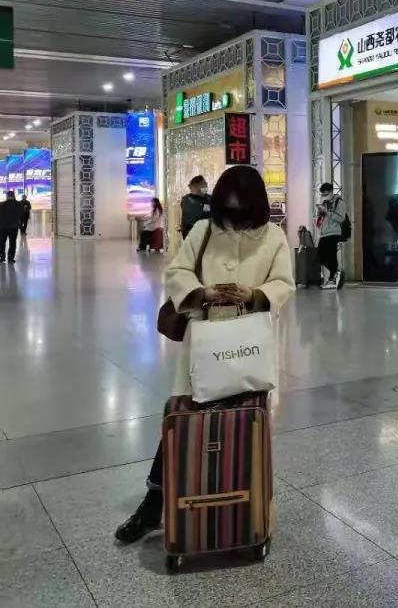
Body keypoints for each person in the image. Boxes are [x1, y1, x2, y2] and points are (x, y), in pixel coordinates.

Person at [114, 165, 295, 543]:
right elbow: (177, 271)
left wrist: (254, 295)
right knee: (184, 420)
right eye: (230, 208)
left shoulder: (274, 236)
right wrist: (203, 293)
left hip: (249, 344)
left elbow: (283, 283)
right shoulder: (203, 231)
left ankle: (243, 507)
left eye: (242, 209)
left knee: (246, 425)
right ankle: (154, 504)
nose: (235, 217)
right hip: (204, 344)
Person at [315, 182, 347, 290]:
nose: (324, 196)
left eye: (326, 194)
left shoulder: (339, 202)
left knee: (331, 255)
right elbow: (322, 218)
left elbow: (341, 218)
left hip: (333, 232)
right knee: (320, 255)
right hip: (324, 233)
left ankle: (333, 277)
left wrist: (327, 212)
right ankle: (336, 273)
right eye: (323, 194)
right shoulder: (324, 202)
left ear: (331, 192)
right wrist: (320, 211)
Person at [179, 175, 211, 239]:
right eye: (203, 184)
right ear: (195, 186)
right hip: (193, 236)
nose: (206, 185)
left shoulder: (209, 198)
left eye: (205, 183)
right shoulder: (187, 200)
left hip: (208, 235)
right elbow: (198, 212)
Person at [0, 191, 21, 263]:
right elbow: (21, 215)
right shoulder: (18, 204)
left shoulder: (2, 204)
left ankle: (2, 257)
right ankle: (10, 258)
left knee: (2, 242)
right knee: (12, 243)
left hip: (3, 227)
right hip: (14, 227)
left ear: (7, 196)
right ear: (14, 196)